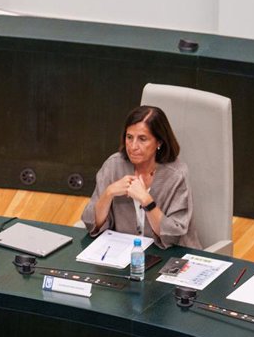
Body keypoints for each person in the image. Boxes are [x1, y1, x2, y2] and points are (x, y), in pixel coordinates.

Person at [81, 105, 200, 249]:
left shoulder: (176, 174)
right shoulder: (113, 165)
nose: (133, 146)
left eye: (142, 139)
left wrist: (146, 200)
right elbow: (91, 224)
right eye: (129, 137)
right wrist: (108, 193)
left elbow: (173, 237)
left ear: (159, 142)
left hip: (170, 255)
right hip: (122, 252)